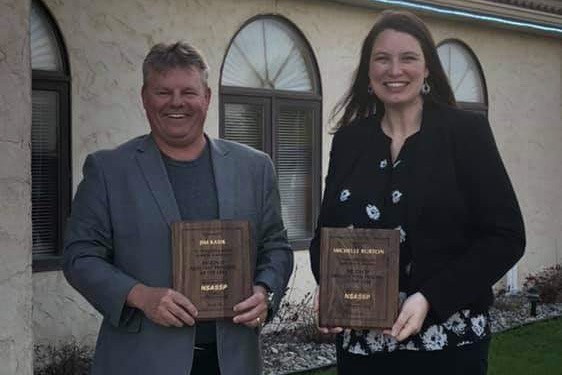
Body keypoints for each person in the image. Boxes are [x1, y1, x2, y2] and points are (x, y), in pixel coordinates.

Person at [309, 10, 525, 374]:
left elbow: (506, 237)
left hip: (448, 345)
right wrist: (329, 287)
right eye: (382, 59)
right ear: (367, 71)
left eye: (408, 58)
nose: (395, 70)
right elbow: (323, 237)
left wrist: (430, 298)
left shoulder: (465, 133)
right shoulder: (349, 142)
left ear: (427, 69)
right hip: (363, 350)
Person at [63, 41, 293, 375]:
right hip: (141, 361)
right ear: (144, 98)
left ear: (207, 98)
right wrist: (141, 296)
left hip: (232, 361)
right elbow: (79, 256)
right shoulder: (109, 171)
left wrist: (265, 291)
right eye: (163, 92)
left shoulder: (255, 168)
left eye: (188, 91)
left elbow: (276, 245)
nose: (176, 102)